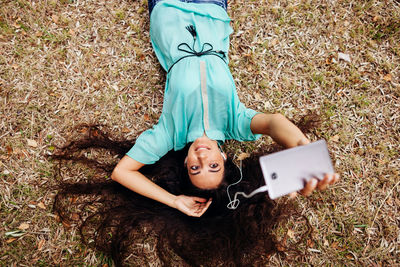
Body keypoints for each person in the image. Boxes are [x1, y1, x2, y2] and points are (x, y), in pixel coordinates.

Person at [111, 0, 339, 217]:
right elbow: (273, 123)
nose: (201, 156)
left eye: (195, 168)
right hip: (211, 8)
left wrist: (174, 200)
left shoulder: (169, 133)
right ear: (223, 156)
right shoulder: (235, 123)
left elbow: (121, 172)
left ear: (185, 163)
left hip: (167, 10)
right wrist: (300, 146)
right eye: (212, 165)